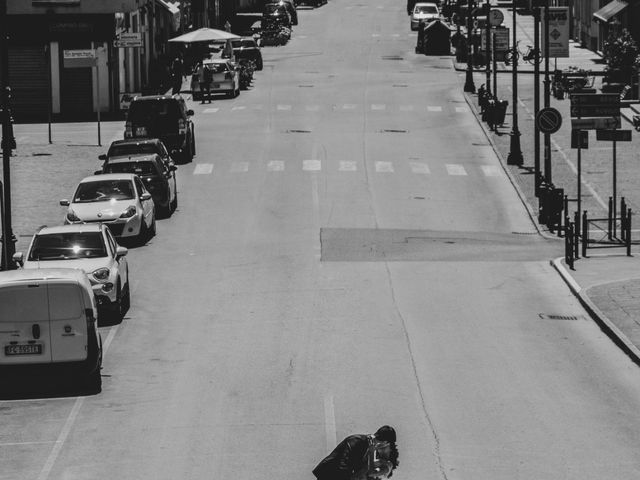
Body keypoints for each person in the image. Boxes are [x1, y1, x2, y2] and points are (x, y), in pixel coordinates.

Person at [312, 425, 399, 480]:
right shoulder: (358, 440)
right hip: (331, 475)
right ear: (385, 442)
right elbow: (343, 462)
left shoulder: (369, 448)